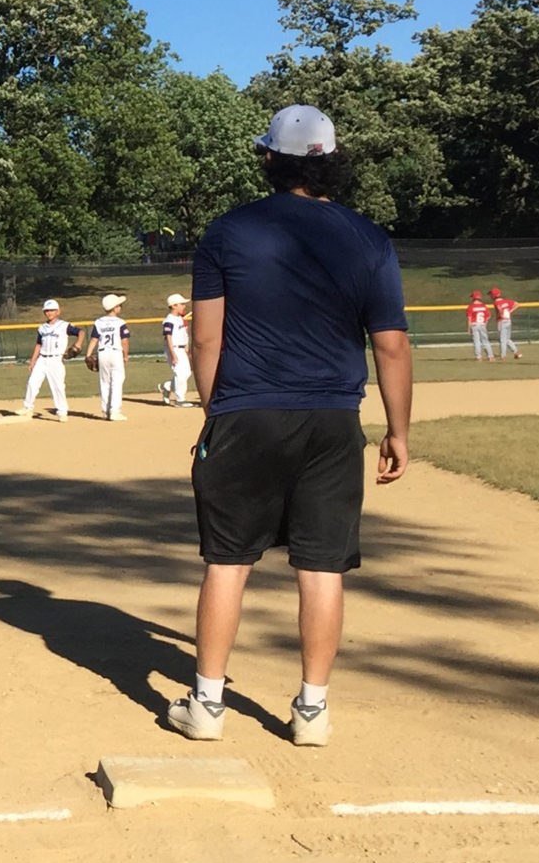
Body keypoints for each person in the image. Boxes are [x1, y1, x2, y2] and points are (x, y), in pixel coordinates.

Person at [170, 105, 411, 750]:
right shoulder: (369, 239)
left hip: (246, 410)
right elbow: (390, 346)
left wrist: (216, 411)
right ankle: (312, 713)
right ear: (331, 160)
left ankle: (208, 706)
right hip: (334, 418)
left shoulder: (228, 232)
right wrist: (398, 431)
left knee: (228, 561)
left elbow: (206, 339)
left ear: (269, 160)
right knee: (322, 566)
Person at [13, 299, 74, 420]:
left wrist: (77, 345)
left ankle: (62, 412)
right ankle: (27, 408)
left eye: (52, 310)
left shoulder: (64, 325)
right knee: (32, 383)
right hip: (42, 358)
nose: (49, 313)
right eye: (47, 311)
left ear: (58, 311)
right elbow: (38, 345)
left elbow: (81, 332)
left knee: (57, 386)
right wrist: (33, 361)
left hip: (56, 359)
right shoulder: (42, 328)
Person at [79, 293, 131, 421]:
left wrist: (88, 354)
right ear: (115, 308)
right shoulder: (120, 322)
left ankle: (105, 411)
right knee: (117, 381)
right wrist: (125, 355)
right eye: (119, 305)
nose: (121, 307)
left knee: (105, 382)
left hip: (102, 353)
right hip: (115, 353)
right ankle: (115, 411)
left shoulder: (99, 322)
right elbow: (124, 341)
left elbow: (94, 340)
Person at [159, 293, 196, 406]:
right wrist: (173, 354)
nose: (184, 306)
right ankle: (180, 399)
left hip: (181, 349)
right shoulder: (169, 320)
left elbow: (184, 335)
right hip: (173, 348)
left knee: (187, 373)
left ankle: (166, 386)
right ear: (174, 305)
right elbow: (168, 338)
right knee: (180, 374)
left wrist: (186, 348)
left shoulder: (180, 319)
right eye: (182, 304)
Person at [492, 287, 521, 359]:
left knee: (502, 339)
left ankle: (503, 356)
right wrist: (510, 311)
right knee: (507, 339)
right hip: (508, 320)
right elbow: (517, 304)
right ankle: (516, 352)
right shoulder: (506, 301)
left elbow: (499, 308)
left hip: (501, 321)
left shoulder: (496, 302)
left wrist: (501, 313)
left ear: (493, 296)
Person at [465, 291, 492, 361]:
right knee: (485, 340)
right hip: (482, 324)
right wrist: (485, 324)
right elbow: (488, 316)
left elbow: (469, 319)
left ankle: (478, 357)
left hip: (474, 325)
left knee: (476, 341)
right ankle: (490, 356)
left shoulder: (471, 307)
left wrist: (469, 328)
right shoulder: (484, 306)